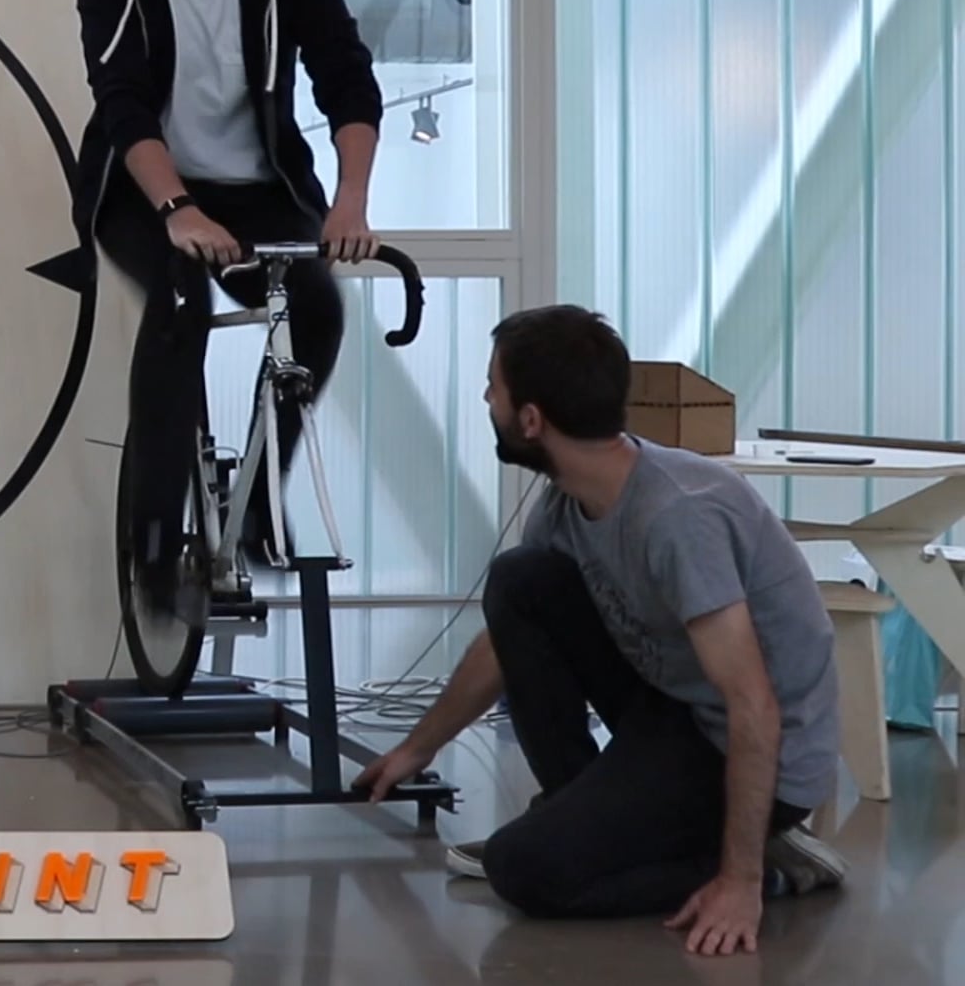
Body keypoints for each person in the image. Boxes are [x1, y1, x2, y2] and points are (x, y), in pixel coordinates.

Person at [356, 304, 849, 956]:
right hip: (675, 710)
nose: (485, 399)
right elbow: (505, 643)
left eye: (493, 387)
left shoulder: (677, 516)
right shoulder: (568, 499)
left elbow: (752, 705)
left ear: (531, 420)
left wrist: (741, 881)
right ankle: (581, 809)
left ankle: (775, 864)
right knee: (520, 579)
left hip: (756, 753)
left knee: (522, 869)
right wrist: (417, 750)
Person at [72, 0, 385, 604]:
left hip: (258, 192)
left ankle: (257, 504)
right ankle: (151, 540)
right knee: (181, 304)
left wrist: (350, 203)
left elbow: (346, 77)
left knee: (316, 310)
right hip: (145, 190)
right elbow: (123, 106)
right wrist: (177, 208)